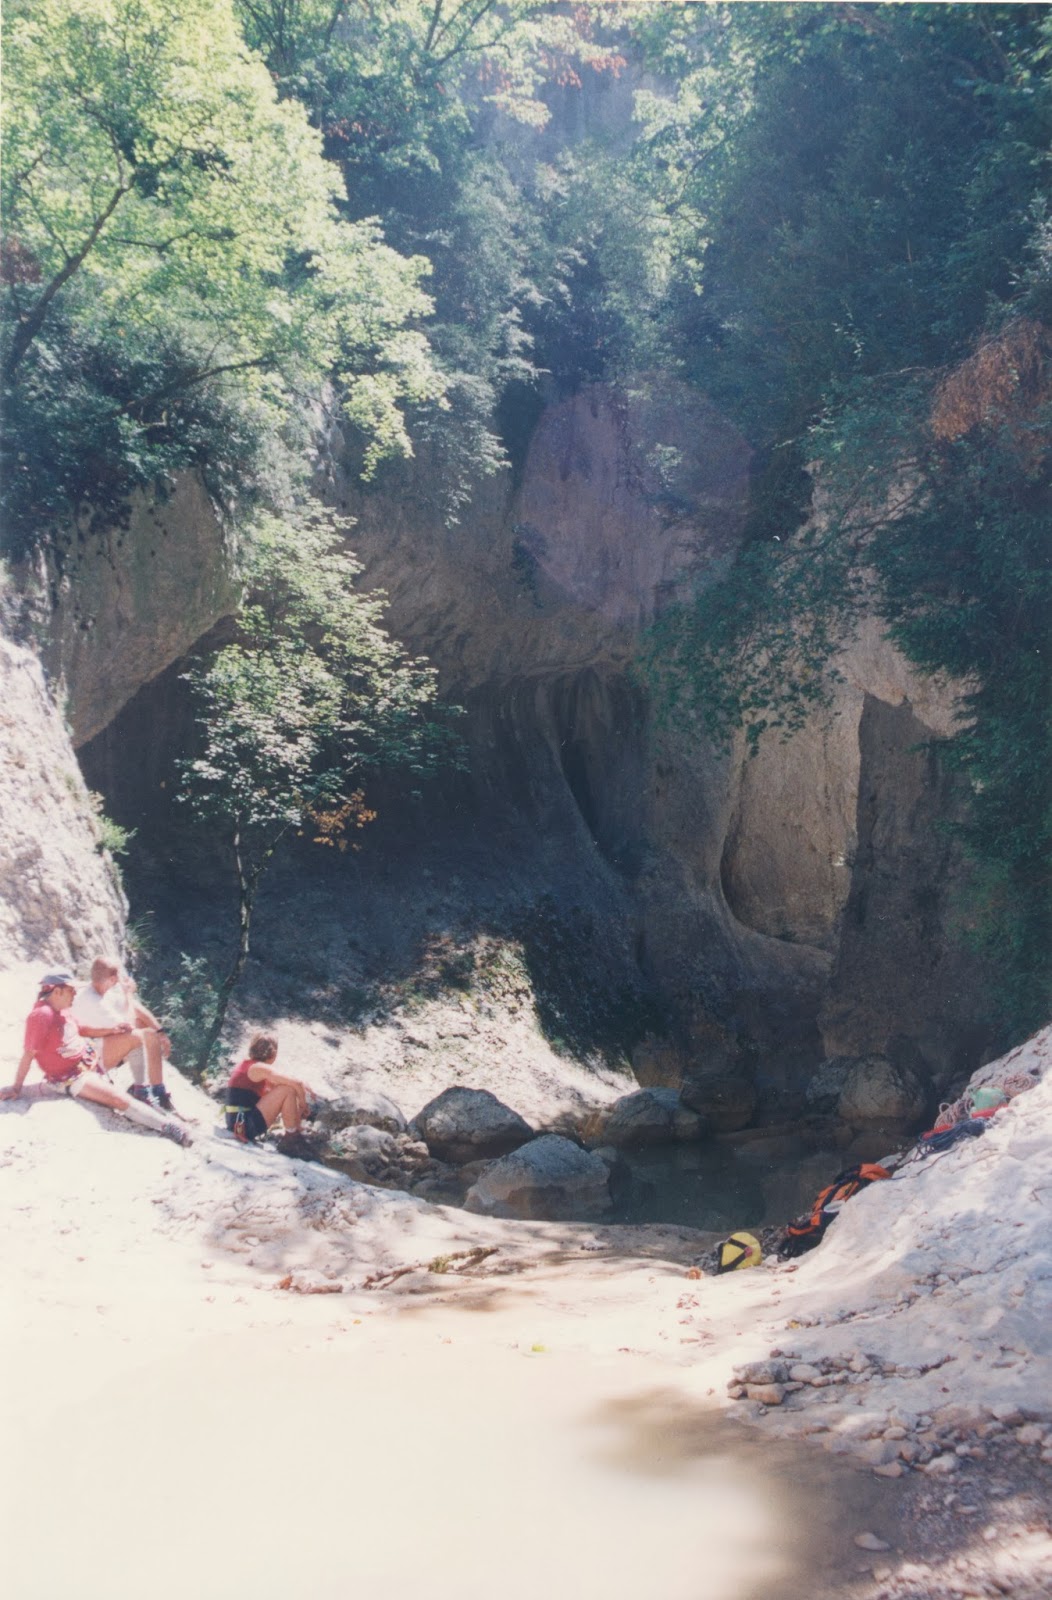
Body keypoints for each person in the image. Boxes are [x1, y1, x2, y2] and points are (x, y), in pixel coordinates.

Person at [1, 973, 191, 1146]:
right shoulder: (41, 1016)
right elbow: (29, 1054)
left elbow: (81, 1029)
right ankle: (167, 1126)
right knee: (117, 1099)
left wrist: (112, 1030)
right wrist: (17, 1087)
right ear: (57, 991)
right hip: (72, 1077)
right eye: (71, 990)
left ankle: (141, 1091)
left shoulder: (62, 1009)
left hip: (90, 1057)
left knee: (135, 1037)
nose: (75, 993)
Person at [71, 956, 180, 1114]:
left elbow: (135, 1008)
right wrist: (129, 993)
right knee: (139, 1035)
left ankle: (158, 1091)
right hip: (87, 1060)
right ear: (112, 979)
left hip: (96, 1045)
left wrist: (160, 1031)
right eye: (118, 976)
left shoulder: (100, 989)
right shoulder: (95, 1003)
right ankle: (141, 1090)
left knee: (146, 1028)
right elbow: (129, 1028)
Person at [224, 1032, 316, 1156]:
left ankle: (295, 1131)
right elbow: (296, 1083)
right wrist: (303, 1105)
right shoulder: (258, 1068)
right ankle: (291, 1137)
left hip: (238, 1123)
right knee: (287, 1090)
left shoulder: (248, 1066)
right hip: (244, 1125)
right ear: (273, 1053)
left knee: (287, 1088)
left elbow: (290, 1082)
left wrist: (301, 1089)